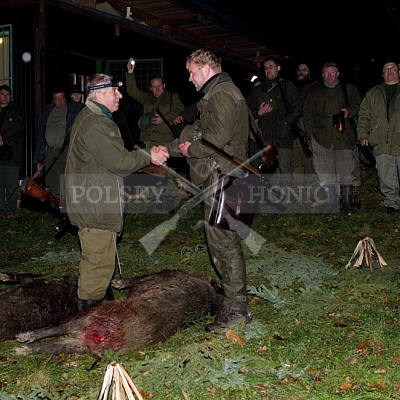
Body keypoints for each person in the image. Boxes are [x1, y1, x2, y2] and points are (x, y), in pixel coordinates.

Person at [64, 73, 169, 311]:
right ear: (100, 94)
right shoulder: (96, 124)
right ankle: (89, 319)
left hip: (89, 200)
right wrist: (149, 155)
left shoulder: (90, 117)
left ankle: (101, 304)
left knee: (100, 259)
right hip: (94, 205)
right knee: (97, 264)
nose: (120, 95)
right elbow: (120, 162)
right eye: (115, 91)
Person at [168, 48, 252, 331]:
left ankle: (237, 310)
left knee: (224, 242)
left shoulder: (222, 93)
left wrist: (190, 147)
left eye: (192, 72)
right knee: (221, 240)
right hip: (223, 174)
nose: (190, 79)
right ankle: (232, 301)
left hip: (225, 176)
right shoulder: (220, 92)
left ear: (206, 68)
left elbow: (217, 138)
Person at [303, 62, 362, 215]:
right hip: (321, 137)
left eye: (332, 72)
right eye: (326, 73)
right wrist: (310, 135)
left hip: (344, 137)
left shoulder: (349, 89)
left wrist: (349, 111)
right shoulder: (314, 92)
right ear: (322, 75)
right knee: (324, 171)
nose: (329, 75)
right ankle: (331, 202)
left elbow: (360, 105)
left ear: (338, 74)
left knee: (346, 170)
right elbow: (308, 115)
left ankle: (348, 204)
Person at [247, 56, 302, 176]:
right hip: (264, 138)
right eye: (266, 68)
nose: (268, 70)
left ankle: (285, 195)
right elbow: (246, 109)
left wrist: (285, 123)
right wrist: (259, 113)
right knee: (264, 172)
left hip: (283, 137)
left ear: (278, 68)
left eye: (271, 67)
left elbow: (298, 108)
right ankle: (267, 195)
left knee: (283, 170)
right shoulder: (258, 89)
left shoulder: (288, 86)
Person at [358, 61, 400, 215]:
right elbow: (364, 116)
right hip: (380, 141)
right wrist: (363, 135)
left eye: (393, 69)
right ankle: (392, 204)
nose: (389, 72)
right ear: (382, 74)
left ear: (399, 71)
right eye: (386, 69)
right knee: (386, 175)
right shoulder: (373, 93)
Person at [33, 87, 81, 198]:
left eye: (62, 98)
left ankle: (69, 205)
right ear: (53, 100)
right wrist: (39, 159)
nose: (60, 101)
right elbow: (40, 135)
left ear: (66, 98)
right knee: (51, 179)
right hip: (50, 151)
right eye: (57, 99)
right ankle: (55, 204)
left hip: (66, 151)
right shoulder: (47, 112)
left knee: (67, 178)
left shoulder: (73, 110)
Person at [125, 63, 185, 148]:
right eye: (154, 87)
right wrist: (130, 72)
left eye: (159, 86)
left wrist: (164, 118)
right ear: (150, 88)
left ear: (164, 85)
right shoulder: (147, 98)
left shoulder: (172, 97)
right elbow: (132, 91)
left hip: (165, 140)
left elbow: (180, 109)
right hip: (147, 140)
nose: (157, 89)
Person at [0, 84, 25, 215]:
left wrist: (3, 136)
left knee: (11, 182)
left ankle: (9, 210)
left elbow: (18, 126)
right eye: (3, 94)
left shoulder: (15, 110)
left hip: (11, 152)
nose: (6, 97)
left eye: (8, 94)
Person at [292, 63, 318, 186]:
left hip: (309, 130)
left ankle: (312, 194)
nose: (301, 72)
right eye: (299, 69)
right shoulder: (293, 88)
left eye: (305, 69)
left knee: (310, 163)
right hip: (296, 130)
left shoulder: (316, 87)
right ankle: (298, 192)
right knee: (296, 161)